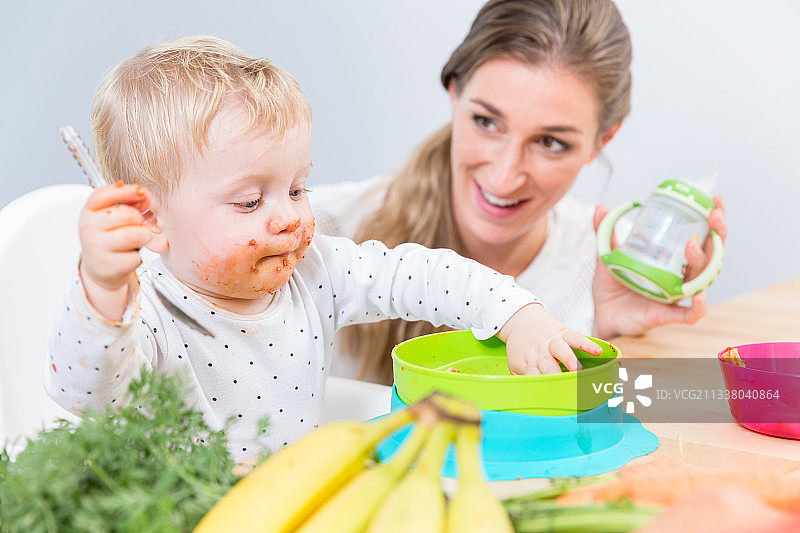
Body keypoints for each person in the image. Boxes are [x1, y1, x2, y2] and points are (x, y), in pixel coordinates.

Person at [45, 36, 601, 462]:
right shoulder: (146, 313)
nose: (288, 217)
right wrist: (102, 291)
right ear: (149, 220)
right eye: (248, 203)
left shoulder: (315, 272)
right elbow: (84, 393)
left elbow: (423, 274)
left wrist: (517, 317)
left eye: (296, 188)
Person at [312, 0, 728, 384]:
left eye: (551, 142)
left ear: (602, 140)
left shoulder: (605, 271)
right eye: (487, 122)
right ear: (455, 92)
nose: (504, 177)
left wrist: (611, 339)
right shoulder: (319, 234)